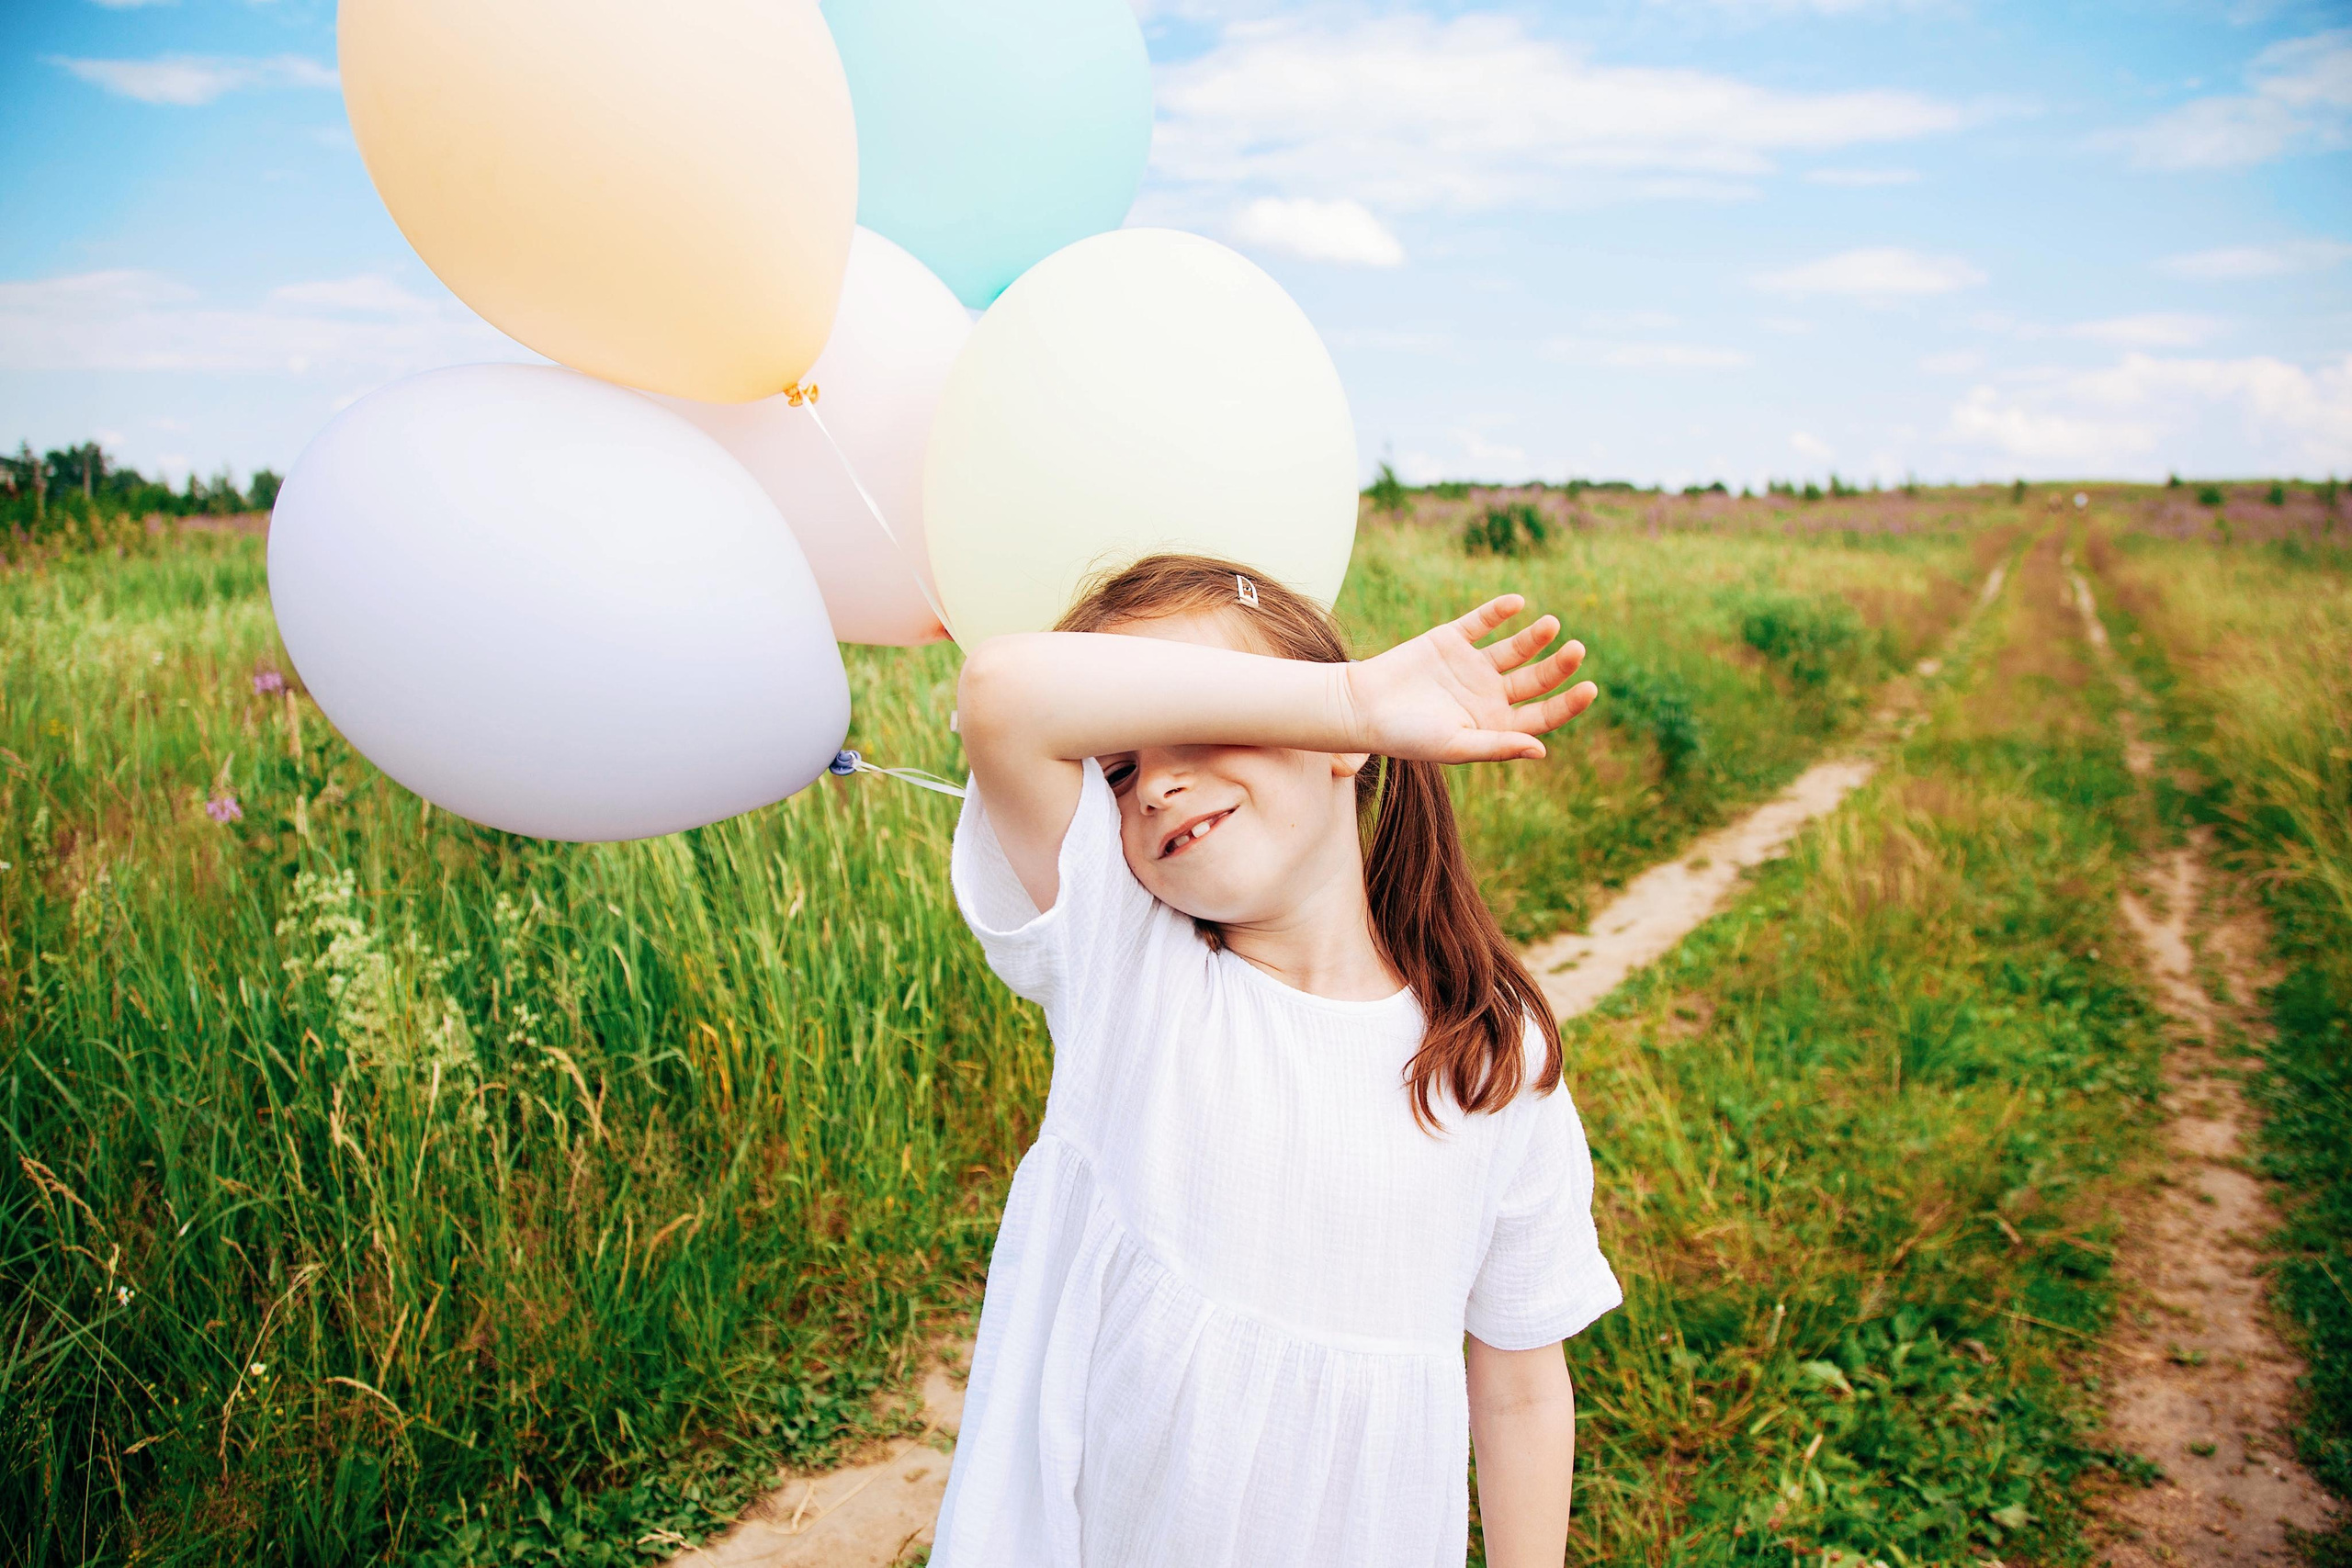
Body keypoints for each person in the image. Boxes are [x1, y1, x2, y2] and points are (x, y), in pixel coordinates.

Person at [933, 554, 1621, 1568]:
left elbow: (1518, 1378)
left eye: (1205, 729)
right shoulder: (1133, 976)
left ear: (1343, 753)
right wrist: (1345, 695)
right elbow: (1000, 694)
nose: (1157, 783)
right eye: (1118, 770)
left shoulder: (1492, 1056)